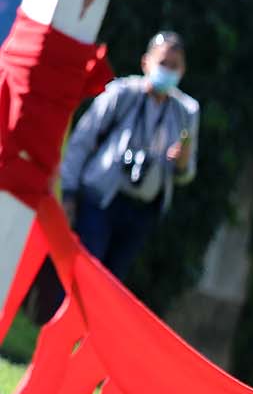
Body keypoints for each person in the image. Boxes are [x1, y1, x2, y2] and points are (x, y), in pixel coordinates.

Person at [51, 31, 200, 312]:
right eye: (163, 63)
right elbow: (81, 142)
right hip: (101, 199)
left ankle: (84, 344)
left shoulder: (186, 111)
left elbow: (185, 173)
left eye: (175, 66)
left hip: (141, 211)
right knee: (84, 271)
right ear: (146, 62)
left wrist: (181, 161)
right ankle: (58, 334)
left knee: (110, 285)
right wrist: (68, 193)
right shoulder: (121, 93)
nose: (168, 71)